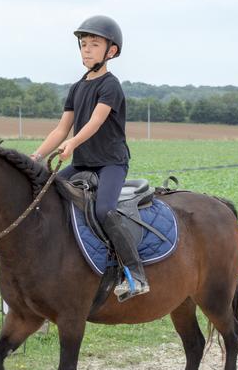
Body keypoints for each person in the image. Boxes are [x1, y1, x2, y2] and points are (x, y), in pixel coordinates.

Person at [30, 15, 149, 301]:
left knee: (104, 210)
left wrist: (73, 142)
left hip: (110, 163)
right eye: (83, 44)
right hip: (81, 163)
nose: (86, 49)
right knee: (41, 197)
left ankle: (135, 274)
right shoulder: (77, 87)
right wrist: (37, 155)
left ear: (111, 51)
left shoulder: (110, 85)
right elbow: (61, 128)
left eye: (94, 44)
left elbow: (94, 123)